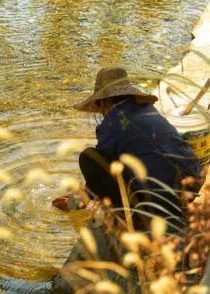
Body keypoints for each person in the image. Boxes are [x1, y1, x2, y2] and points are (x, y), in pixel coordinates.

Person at [53, 67, 203, 229]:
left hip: (159, 203)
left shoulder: (110, 125)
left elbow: (102, 173)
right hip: (192, 185)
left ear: (102, 102)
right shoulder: (149, 110)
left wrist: (76, 201)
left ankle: (136, 218)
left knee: (89, 158)